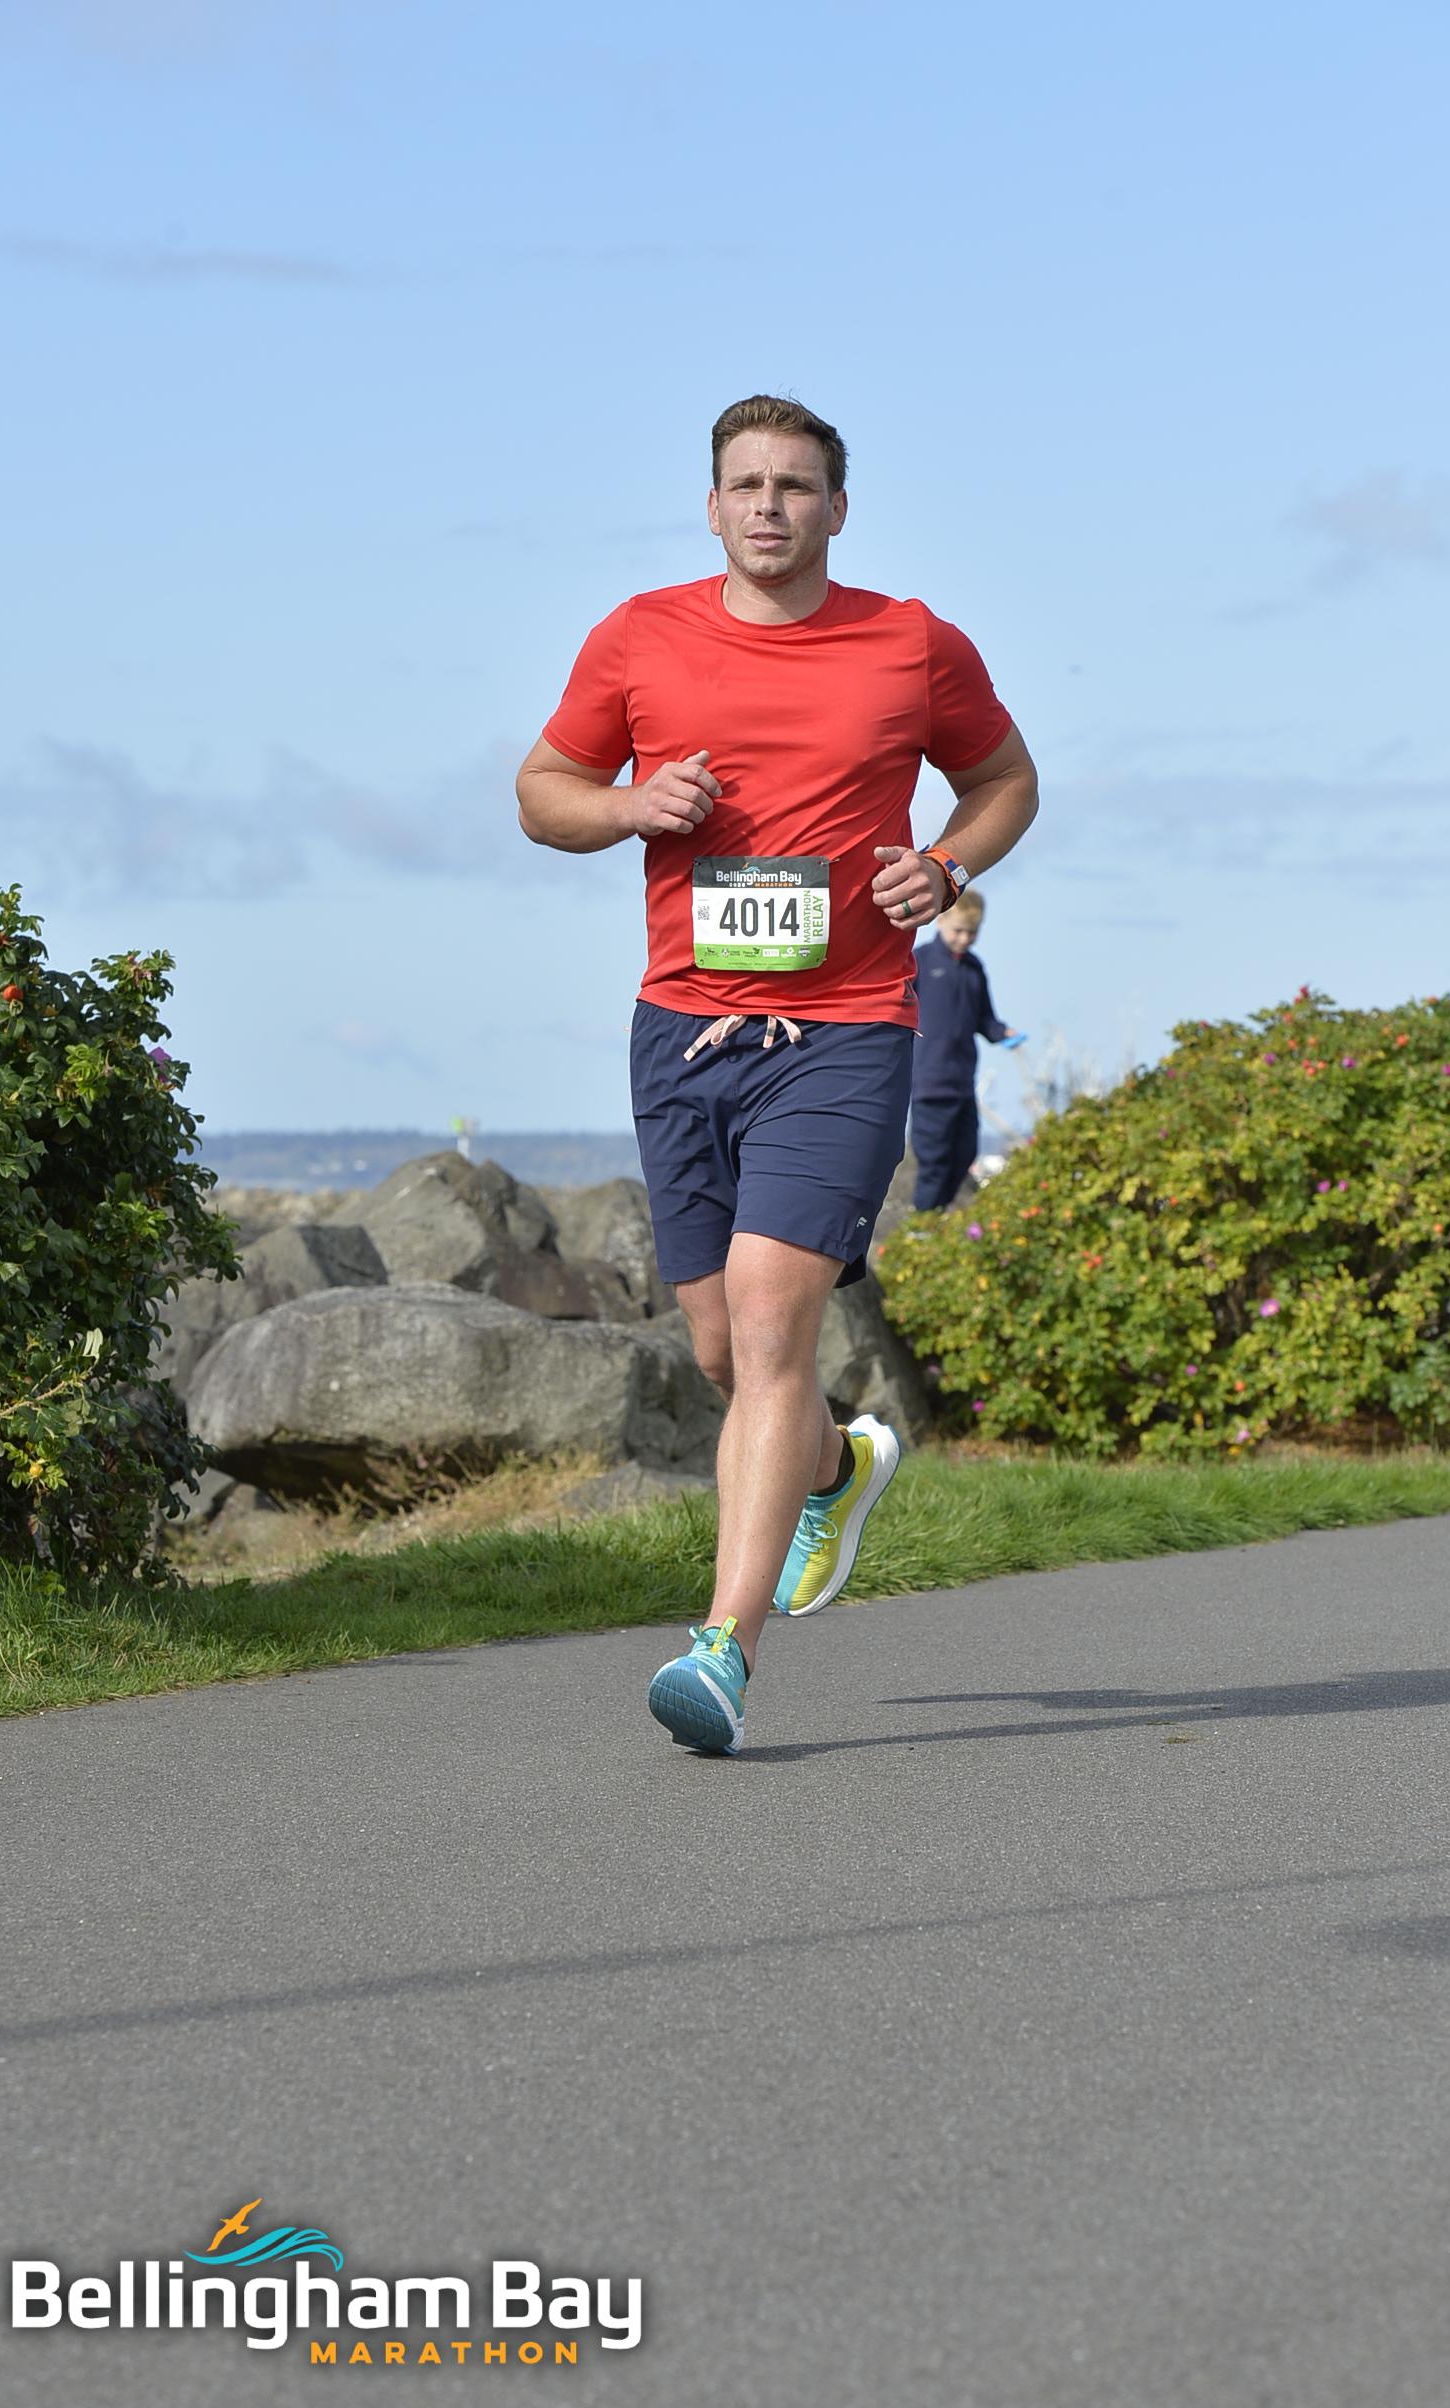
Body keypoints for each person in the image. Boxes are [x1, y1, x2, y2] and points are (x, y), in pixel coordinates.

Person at [516, 394, 1038, 1755]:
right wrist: (628, 805)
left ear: (836, 508)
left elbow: (1005, 780)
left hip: (848, 1031)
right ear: (711, 507)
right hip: (682, 1032)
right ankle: (836, 1462)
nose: (769, 506)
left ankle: (722, 1653)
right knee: (721, 1350)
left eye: (796, 486)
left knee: (766, 1325)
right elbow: (542, 790)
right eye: (746, 484)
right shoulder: (639, 636)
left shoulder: (910, 642)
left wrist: (948, 863)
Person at [910, 889, 1022, 1210]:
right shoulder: (920, 961)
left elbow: (985, 1018)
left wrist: (1002, 1032)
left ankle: (939, 1216)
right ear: (940, 920)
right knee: (933, 1161)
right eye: (958, 930)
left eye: (972, 932)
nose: (964, 939)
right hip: (929, 1083)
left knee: (964, 1153)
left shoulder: (974, 968)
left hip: (962, 1083)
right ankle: (923, 1223)